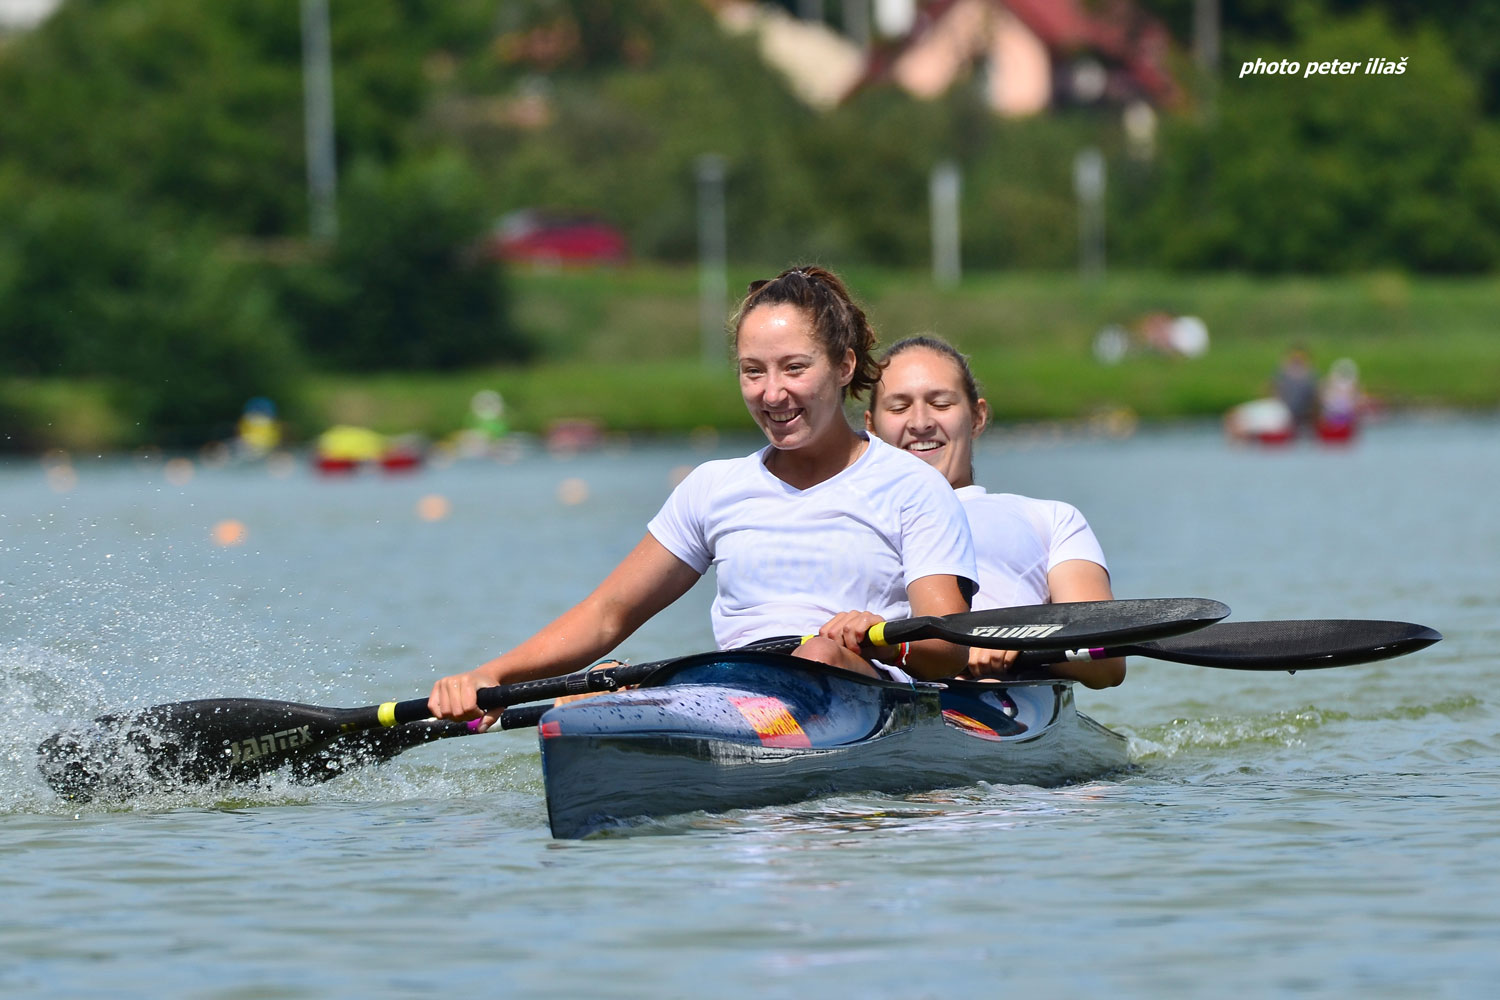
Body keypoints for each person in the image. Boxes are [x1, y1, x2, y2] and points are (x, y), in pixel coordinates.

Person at [428, 267, 977, 726]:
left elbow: (946, 647)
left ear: (844, 367)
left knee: (818, 654)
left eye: (794, 368)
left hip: (862, 692)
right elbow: (607, 614)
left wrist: (880, 642)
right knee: (589, 695)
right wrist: (490, 676)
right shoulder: (714, 488)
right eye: (752, 371)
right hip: (738, 690)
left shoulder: (913, 486)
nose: (772, 393)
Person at [865, 335, 1124, 689]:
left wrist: (1015, 641)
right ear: (871, 428)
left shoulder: (1053, 519)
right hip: (882, 692)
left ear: (977, 417)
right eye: (899, 408)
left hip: (998, 703)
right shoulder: (844, 522)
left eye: (941, 404)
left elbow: (1107, 664)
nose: (920, 422)